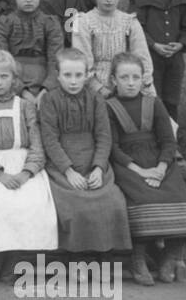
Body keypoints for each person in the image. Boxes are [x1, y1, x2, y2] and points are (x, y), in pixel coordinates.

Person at [106, 53, 186, 285]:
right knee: (139, 197)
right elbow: (112, 147)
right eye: (124, 77)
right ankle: (138, 260)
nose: (130, 82)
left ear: (143, 79)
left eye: (135, 77)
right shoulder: (108, 107)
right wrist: (140, 171)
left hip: (158, 162)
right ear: (114, 80)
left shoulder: (154, 103)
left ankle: (171, 257)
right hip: (128, 165)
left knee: (176, 192)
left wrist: (161, 167)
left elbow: (168, 140)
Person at [0, 51, 57, 280]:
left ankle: (16, 258)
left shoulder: (25, 105)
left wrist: (28, 172)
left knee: (32, 200)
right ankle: (0, 253)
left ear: (14, 78)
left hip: (23, 163)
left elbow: (37, 144)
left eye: (4, 77)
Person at [37, 48, 131, 256]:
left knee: (113, 200)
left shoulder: (96, 99)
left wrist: (98, 168)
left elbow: (104, 136)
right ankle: (77, 257)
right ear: (58, 75)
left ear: (88, 75)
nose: (73, 81)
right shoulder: (49, 100)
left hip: (93, 161)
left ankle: (102, 255)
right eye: (67, 75)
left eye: (79, 75)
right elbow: (50, 140)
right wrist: (68, 171)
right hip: (61, 166)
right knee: (75, 205)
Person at [72, 0, 156, 100]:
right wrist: (98, 88)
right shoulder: (83, 21)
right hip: (94, 89)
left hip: (127, 86)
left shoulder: (130, 22)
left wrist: (145, 85)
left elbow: (142, 57)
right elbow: (81, 61)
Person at [0, 0, 64, 103]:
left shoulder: (50, 23)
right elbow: (2, 61)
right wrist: (23, 92)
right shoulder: (4, 22)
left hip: (45, 81)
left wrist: (46, 90)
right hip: (12, 82)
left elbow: (55, 60)